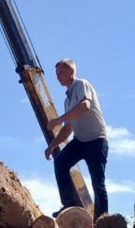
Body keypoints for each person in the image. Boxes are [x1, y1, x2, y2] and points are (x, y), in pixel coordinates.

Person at [44, 59, 109, 218]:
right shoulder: (67, 100)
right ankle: (69, 203)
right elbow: (68, 128)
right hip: (80, 141)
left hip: (96, 140)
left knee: (97, 183)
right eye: (56, 74)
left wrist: (58, 120)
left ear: (71, 72)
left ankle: (102, 219)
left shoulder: (81, 84)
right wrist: (52, 146)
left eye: (60, 73)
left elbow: (85, 105)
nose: (57, 77)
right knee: (60, 162)